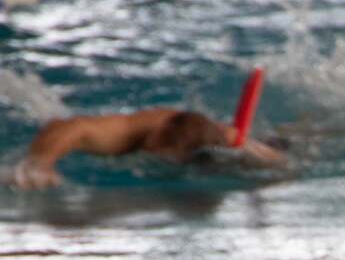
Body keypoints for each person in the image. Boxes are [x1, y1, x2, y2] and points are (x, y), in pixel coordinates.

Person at [9, 107, 284, 190]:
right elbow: (71, 127)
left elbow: (281, 166)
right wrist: (41, 162)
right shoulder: (129, 132)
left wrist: (266, 161)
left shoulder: (222, 142)